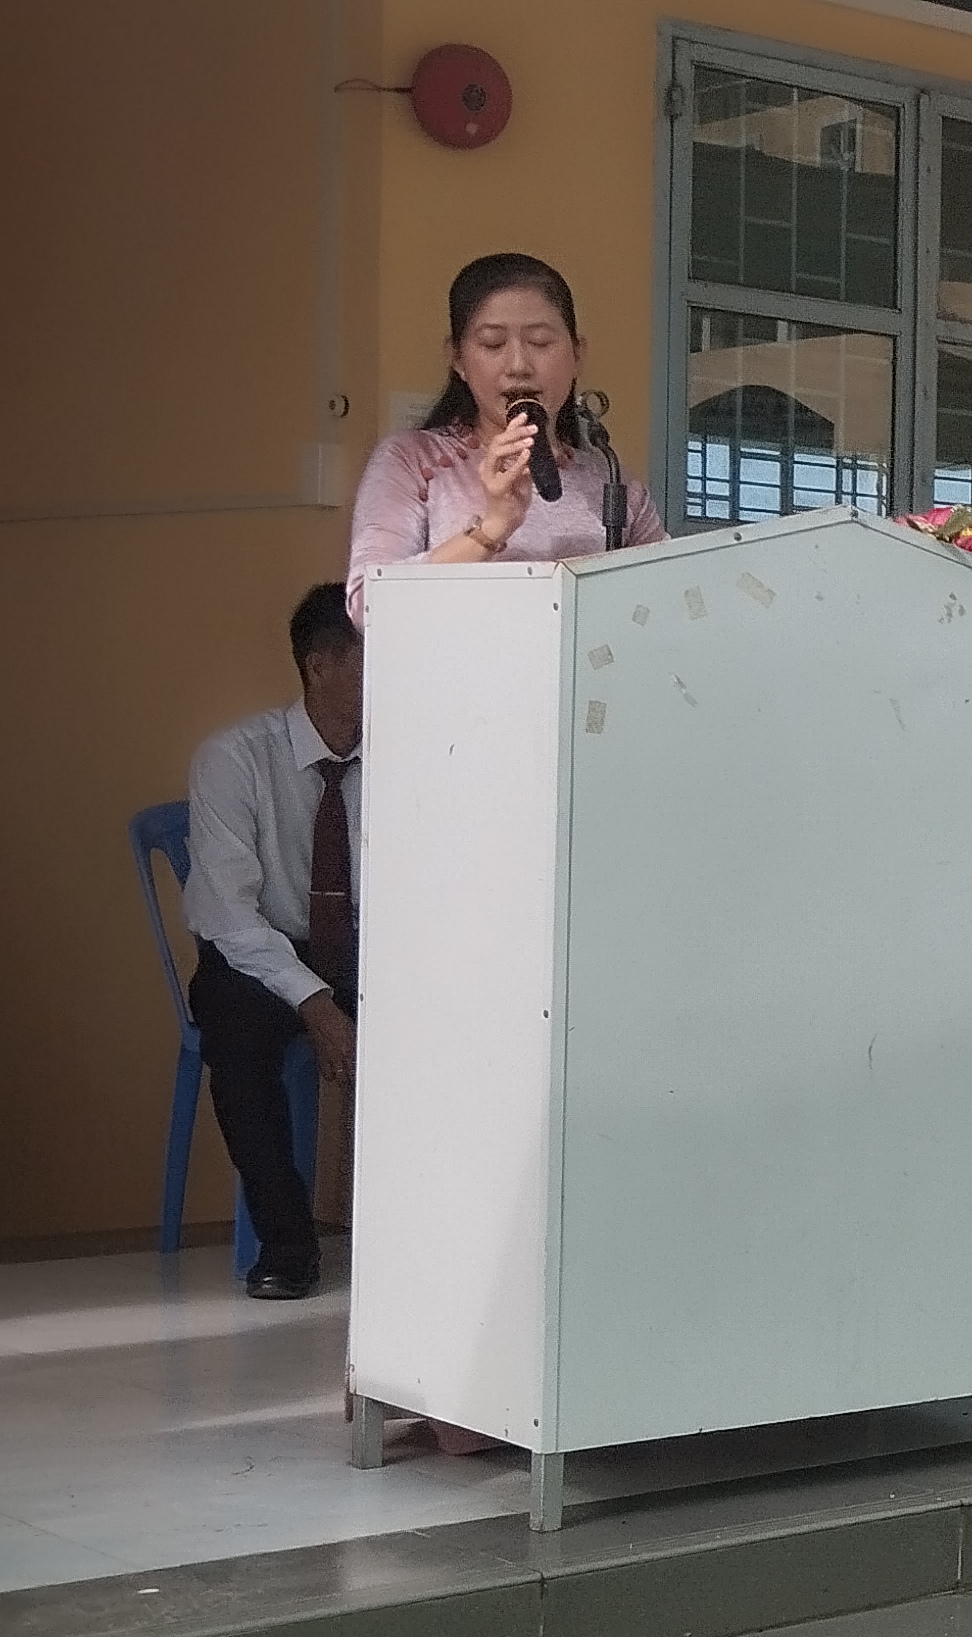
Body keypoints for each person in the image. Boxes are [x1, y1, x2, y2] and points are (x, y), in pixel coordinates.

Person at [185, 587, 365, 1302]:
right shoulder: (234, 758)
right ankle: (287, 1244)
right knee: (232, 1026)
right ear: (320, 667)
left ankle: (430, 1235)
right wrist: (315, 1003)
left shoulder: (419, 751)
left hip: (371, 952)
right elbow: (228, 916)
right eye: (377, 658)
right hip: (265, 954)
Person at [346, 253, 664, 614]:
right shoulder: (413, 460)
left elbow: (669, 602)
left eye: (540, 342)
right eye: (493, 344)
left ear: (577, 354)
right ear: (458, 359)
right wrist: (493, 527)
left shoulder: (616, 485)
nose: (518, 366)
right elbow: (368, 605)